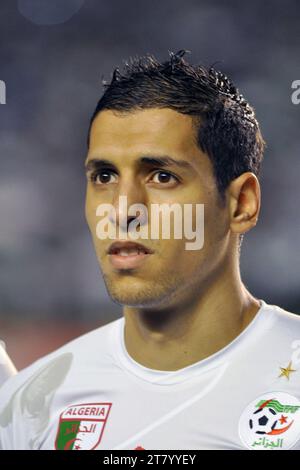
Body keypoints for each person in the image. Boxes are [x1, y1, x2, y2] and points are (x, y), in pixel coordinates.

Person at [0, 50, 300, 451]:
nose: (122, 210)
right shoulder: (33, 403)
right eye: (104, 176)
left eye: (162, 176)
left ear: (241, 203)